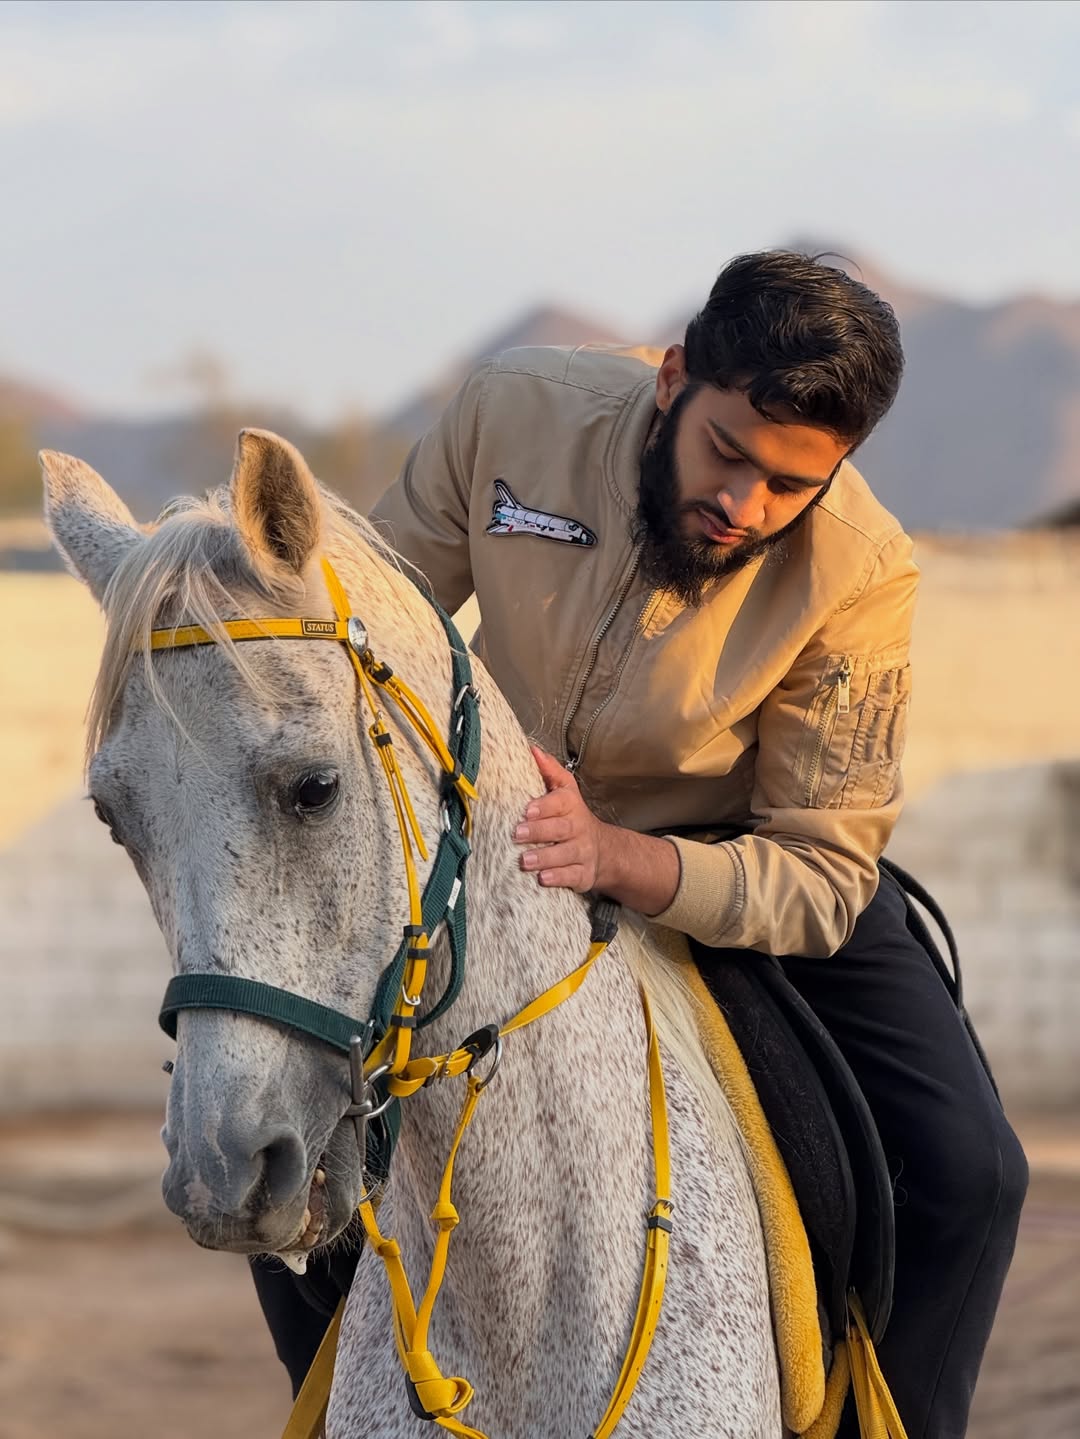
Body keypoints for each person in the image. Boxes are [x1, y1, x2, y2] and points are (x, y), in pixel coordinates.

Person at [252, 251, 1027, 1438]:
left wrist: (623, 858)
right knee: (289, 1127)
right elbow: (366, 629)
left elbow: (821, 872)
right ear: (673, 380)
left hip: (739, 870)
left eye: (790, 486)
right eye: (730, 454)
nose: (748, 506)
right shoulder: (510, 411)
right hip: (499, 850)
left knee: (971, 1173)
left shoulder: (864, 570)